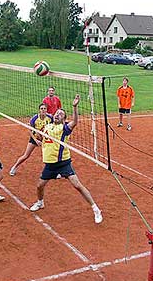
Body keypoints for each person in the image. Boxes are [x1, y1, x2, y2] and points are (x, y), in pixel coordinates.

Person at [29, 94, 103, 224]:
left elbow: (75, 122)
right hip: (50, 164)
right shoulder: (47, 126)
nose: (58, 115)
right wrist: (38, 139)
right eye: (57, 113)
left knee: (77, 185)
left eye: (61, 114)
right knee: (39, 186)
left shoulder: (64, 128)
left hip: (63, 163)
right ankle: (40, 202)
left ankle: (95, 208)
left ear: (64, 119)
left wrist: (75, 107)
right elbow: (42, 138)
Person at [9, 103, 53, 176]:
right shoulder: (35, 118)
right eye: (41, 109)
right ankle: (14, 167)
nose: (43, 110)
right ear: (39, 110)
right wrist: (36, 140)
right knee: (26, 155)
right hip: (34, 138)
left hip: (45, 139)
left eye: (44, 108)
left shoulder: (50, 117)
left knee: (50, 155)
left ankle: (54, 171)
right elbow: (29, 130)